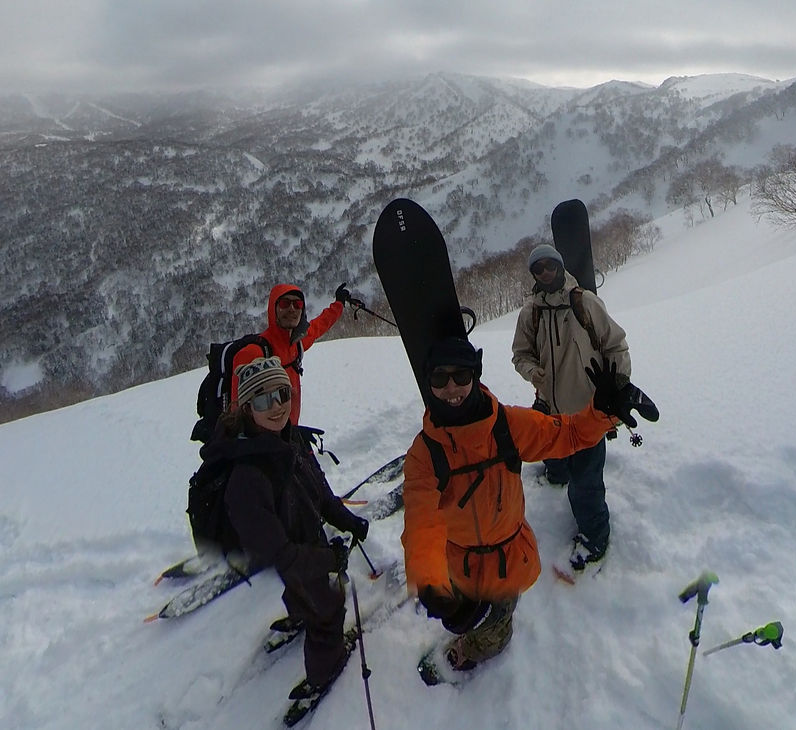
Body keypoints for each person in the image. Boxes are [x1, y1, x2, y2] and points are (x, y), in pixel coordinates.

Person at [401, 337, 639, 676]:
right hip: (458, 562)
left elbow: (567, 435)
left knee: (497, 621)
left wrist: (601, 413)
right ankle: (469, 634)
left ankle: (477, 651)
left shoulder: (507, 427)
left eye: (461, 376)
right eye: (440, 378)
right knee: (459, 615)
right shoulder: (425, 453)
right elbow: (420, 522)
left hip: (506, 560)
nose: (451, 388)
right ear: (428, 383)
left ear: (476, 375)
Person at [203, 355, 369, 700]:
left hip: (302, 547)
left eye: (283, 393)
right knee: (328, 611)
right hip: (295, 555)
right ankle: (324, 669)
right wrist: (329, 560)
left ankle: (299, 612)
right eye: (263, 399)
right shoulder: (246, 477)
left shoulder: (289, 440)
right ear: (247, 407)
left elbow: (320, 495)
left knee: (302, 589)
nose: (277, 406)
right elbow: (280, 555)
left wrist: (347, 521)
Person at [511, 243, 631, 572]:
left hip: (587, 413)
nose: (546, 272)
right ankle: (555, 472)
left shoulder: (584, 302)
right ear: (534, 275)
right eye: (539, 268)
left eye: (551, 265)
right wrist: (532, 372)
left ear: (561, 266)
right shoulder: (530, 313)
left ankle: (594, 537)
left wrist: (617, 389)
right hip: (549, 409)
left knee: (586, 483)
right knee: (555, 459)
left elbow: (615, 345)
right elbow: (520, 355)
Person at [231, 282, 352, 428]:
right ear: (273, 309)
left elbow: (320, 324)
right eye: (284, 303)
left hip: (288, 431)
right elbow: (236, 412)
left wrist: (338, 304)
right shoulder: (254, 353)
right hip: (264, 440)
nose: (292, 309)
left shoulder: (297, 343)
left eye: (298, 304)